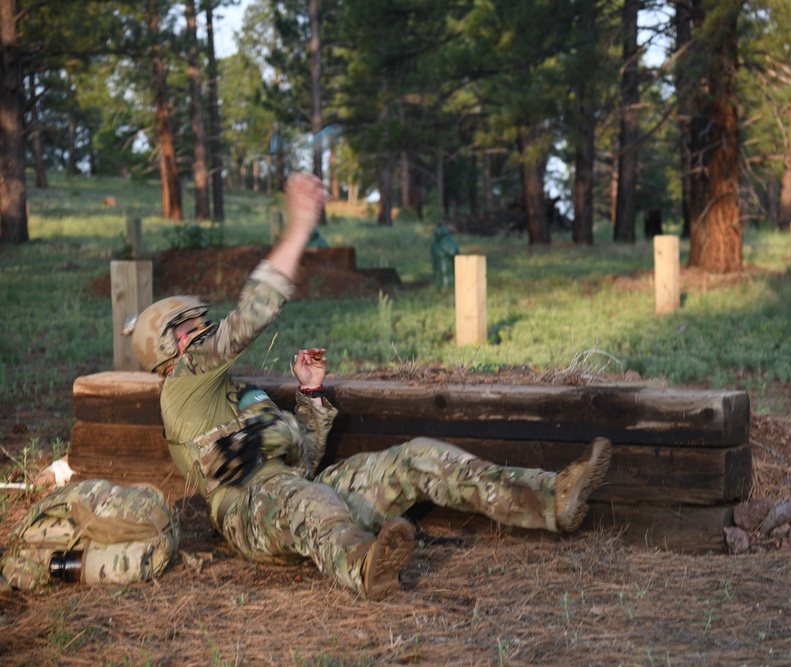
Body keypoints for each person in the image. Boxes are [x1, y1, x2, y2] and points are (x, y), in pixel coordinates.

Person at [124, 173, 612, 601]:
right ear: (167, 351)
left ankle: (550, 500)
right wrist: (299, 226)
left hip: (301, 494)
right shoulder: (182, 387)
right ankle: (365, 567)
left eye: (200, 322)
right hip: (250, 517)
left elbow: (304, 459)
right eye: (190, 329)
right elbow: (252, 316)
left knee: (419, 457)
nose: (204, 331)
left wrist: (311, 396)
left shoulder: (238, 393)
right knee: (308, 501)